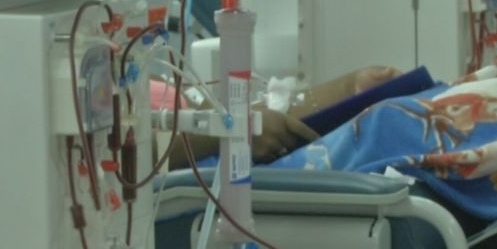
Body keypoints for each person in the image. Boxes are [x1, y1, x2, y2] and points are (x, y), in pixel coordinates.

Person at [153, 66, 401, 169]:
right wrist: (235, 131)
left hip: (230, 137)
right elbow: (137, 158)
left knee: (394, 108)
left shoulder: (138, 67)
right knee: (387, 126)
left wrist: (349, 88)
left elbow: (207, 109)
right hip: (221, 166)